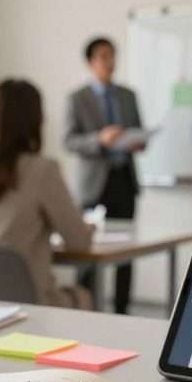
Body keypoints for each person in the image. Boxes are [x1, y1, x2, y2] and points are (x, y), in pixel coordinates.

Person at [0, 79, 94, 309]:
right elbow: (79, 242)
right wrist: (87, 229)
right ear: (34, 119)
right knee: (83, 296)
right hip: (26, 305)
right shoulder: (43, 169)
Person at [64, 36, 144, 314]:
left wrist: (137, 141)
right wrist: (100, 139)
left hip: (124, 180)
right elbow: (69, 140)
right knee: (86, 252)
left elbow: (137, 131)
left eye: (113, 55)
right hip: (93, 184)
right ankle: (85, 310)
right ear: (90, 62)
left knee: (127, 252)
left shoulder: (128, 95)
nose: (110, 62)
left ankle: (123, 310)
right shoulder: (77, 98)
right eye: (103, 56)